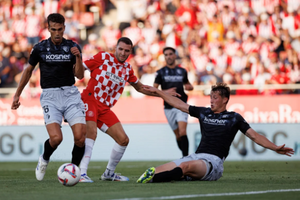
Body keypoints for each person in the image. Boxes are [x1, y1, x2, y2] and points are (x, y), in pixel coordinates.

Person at [137, 83, 294, 183]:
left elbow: (255, 136)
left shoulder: (234, 118)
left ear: (225, 100)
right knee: (155, 169)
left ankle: (158, 179)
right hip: (196, 156)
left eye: (215, 98)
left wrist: (274, 147)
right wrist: (159, 92)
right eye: (210, 97)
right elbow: (179, 105)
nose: (211, 101)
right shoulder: (204, 112)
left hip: (213, 163)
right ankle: (160, 176)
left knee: (184, 167)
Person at [79, 37, 167, 183]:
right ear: (115, 48)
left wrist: (163, 94)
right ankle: (82, 173)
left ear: (130, 52)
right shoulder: (103, 57)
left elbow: (140, 88)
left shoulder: (127, 69)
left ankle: (108, 173)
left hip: (104, 108)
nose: (123, 53)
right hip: (90, 99)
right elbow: (81, 68)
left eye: (127, 51)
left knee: (123, 140)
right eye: (121, 49)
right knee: (91, 133)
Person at [11, 13, 86, 181]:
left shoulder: (73, 47)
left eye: (60, 29)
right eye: (54, 30)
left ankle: (73, 171)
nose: (57, 33)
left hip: (70, 93)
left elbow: (80, 76)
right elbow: (28, 71)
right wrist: (17, 95)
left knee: (80, 137)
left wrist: (78, 58)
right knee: (56, 138)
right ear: (48, 29)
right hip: (50, 96)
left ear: (64, 28)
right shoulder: (39, 48)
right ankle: (44, 158)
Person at [154, 47, 194, 157]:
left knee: (182, 132)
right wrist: (167, 92)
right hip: (168, 107)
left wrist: (189, 87)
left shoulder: (182, 71)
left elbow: (188, 84)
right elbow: (154, 89)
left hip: (181, 105)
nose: (168, 56)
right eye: (166, 54)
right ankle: (184, 155)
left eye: (170, 54)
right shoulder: (160, 72)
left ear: (175, 55)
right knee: (177, 135)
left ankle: (185, 158)